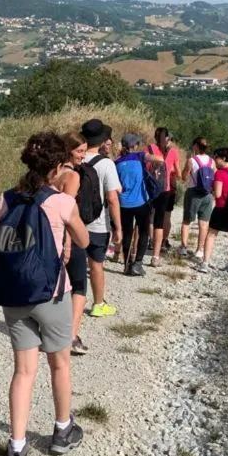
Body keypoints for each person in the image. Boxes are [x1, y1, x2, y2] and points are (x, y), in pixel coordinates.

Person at [0, 132, 90, 456]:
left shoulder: (5, 199)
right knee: (60, 364)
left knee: (23, 371)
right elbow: (83, 239)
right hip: (52, 293)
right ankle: (62, 431)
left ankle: (16, 449)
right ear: (55, 168)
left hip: (15, 295)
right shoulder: (61, 202)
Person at [79, 119, 122, 317]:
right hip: (97, 224)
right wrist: (118, 227)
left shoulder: (74, 159)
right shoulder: (106, 164)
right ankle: (98, 304)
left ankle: (69, 304)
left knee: (73, 265)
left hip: (74, 223)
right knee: (96, 265)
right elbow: (112, 198)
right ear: (103, 139)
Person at [53, 131, 90, 355]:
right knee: (79, 286)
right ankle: (71, 337)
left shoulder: (52, 173)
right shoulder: (72, 177)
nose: (83, 156)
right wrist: (68, 243)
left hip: (49, 235)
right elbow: (67, 211)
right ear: (68, 151)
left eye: (85, 151)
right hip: (67, 236)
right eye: (79, 151)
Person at [115, 134, 165, 277]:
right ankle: (138, 264)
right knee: (143, 231)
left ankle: (126, 265)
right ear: (135, 145)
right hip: (141, 202)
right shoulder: (140, 156)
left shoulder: (116, 162)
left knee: (127, 233)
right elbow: (160, 160)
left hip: (123, 203)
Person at [196, 147, 228, 274]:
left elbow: (217, 194)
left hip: (221, 208)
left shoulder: (219, 173)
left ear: (223, 158)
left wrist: (212, 190)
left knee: (212, 234)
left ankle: (205, 263)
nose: (214, 160)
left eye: (216, 157)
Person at [146, 127, 181, 267]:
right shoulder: (173, 152)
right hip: (165, 190)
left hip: (150, 188)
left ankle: (147, 242)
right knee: (161, 221)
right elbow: (177, 173)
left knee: (149, 218)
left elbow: (145, 167)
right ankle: (155, 256)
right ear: (167, 138)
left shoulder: (149, 149)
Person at [179, 136, 215, 260]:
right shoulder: (212, 161)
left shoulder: (192, 160)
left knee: (187, 221)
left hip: (193, 193)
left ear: (195, 146)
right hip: (207, 195)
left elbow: (184, 177)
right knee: (204, 224)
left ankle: (184, 247)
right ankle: (200, 250)